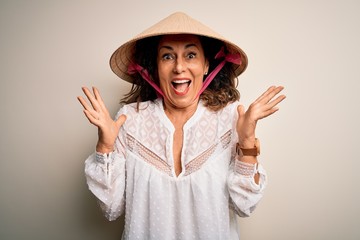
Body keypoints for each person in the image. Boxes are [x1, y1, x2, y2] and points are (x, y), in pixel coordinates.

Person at [77, 12, 285, 240]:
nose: (179, 67)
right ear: (155, 67)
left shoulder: (230, 118)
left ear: (206, 64)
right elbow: (111, 208)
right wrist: (105, 147)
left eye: (191, 55)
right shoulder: (130, 120)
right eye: (167, 56)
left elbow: (245, 205)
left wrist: (246, 142)